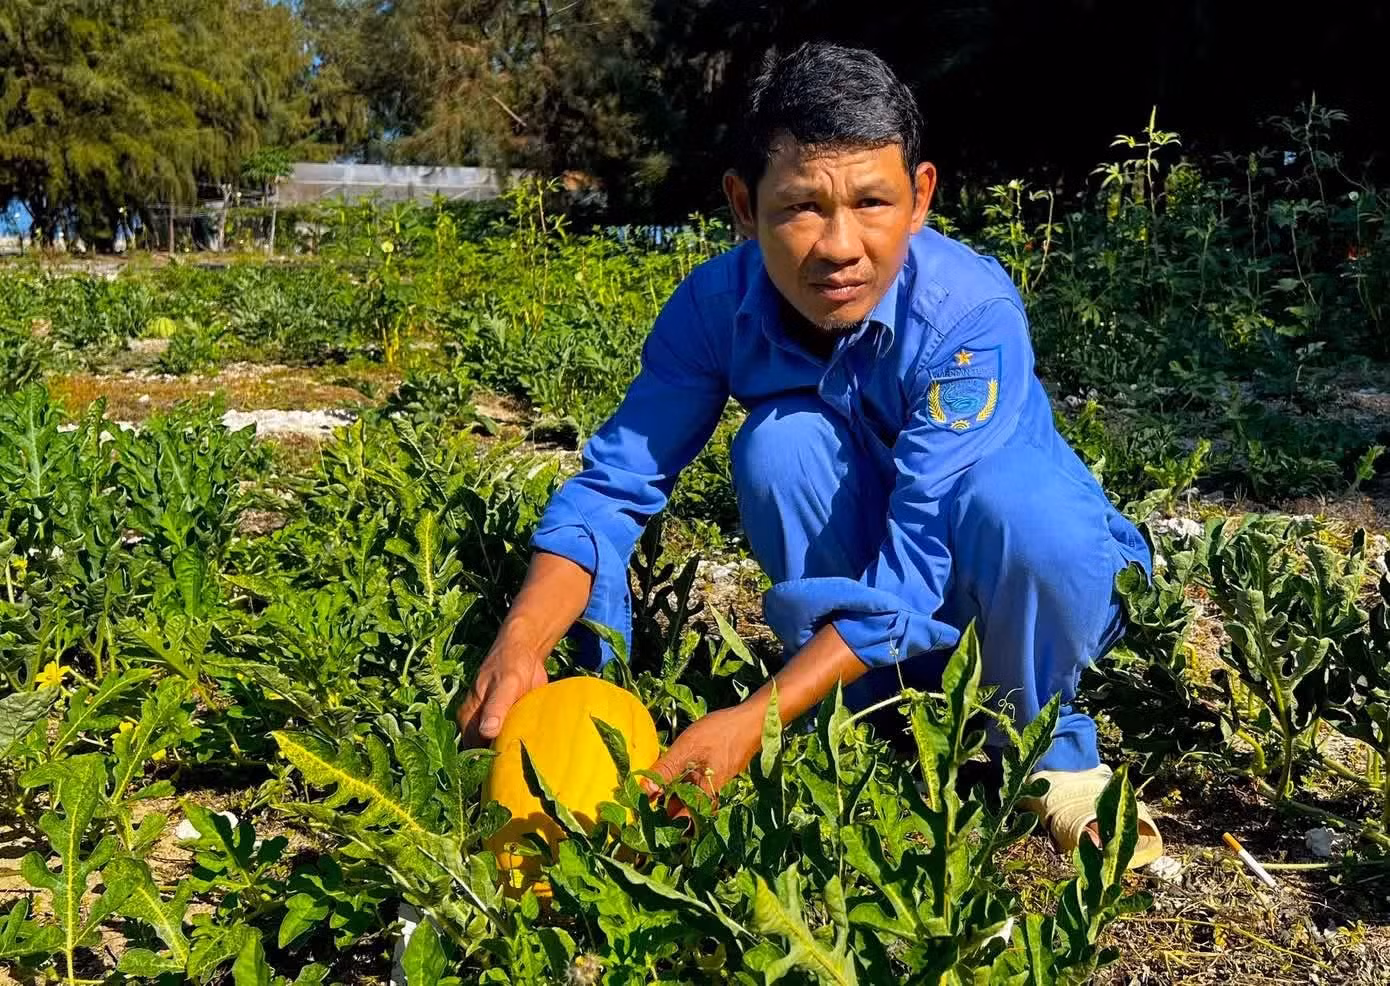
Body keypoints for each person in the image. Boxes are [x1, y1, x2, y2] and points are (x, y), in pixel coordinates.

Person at [457, 41, 1163, 866]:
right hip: (889, 597)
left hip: (1018, 580)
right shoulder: (713, 308)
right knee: (780, 446)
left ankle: (1045, 737)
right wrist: (522, 642)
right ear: (742, 206)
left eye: (871, 202)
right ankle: (865, 709)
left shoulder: (970, 313)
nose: (839, 246)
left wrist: (750, 721)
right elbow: (612, 490)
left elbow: (920, 552)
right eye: (799, 207)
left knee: (1021, 509)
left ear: (920, 197)